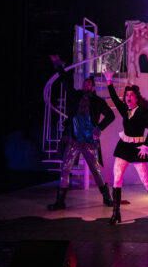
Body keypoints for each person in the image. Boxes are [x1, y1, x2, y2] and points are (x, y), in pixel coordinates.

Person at [47, 55, 115, 211]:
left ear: (93, 87)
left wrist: (99, 128)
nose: (86, 85)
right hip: (74, 140)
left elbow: (111, 116)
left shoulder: (98, 102)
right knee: (65, 168)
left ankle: (107, 197)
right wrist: (59, 66)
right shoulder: (76, 97)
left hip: (89, 142)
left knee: (96, 170)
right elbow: (66, 83)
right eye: (85, 84)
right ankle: (60, 201)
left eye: (89, 84)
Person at [103, 71, 148, 225]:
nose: (128, 97)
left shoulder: (143, 112)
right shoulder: (125, 109)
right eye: (126, 95)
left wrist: (145, 145)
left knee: (146, 181)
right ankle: (116, 212)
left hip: (137, 148)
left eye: (131, 95)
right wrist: (109, 81)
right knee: (117, 179)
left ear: (136, 98)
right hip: (124, 146)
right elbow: (115, 99)